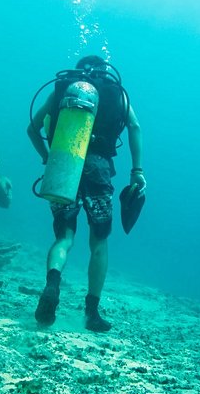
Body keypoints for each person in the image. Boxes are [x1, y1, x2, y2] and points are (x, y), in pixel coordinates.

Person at [27, 55, 145, 332]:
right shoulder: (115, 92)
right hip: (98, 169)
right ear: (106, 72)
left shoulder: (63, 88)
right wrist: (137, 170)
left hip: (62, 163)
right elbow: (135, 127)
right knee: (99, 242)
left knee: (64, 237)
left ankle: (52, 285)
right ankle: (92, 313)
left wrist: (48, 158)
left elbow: (32, 129)